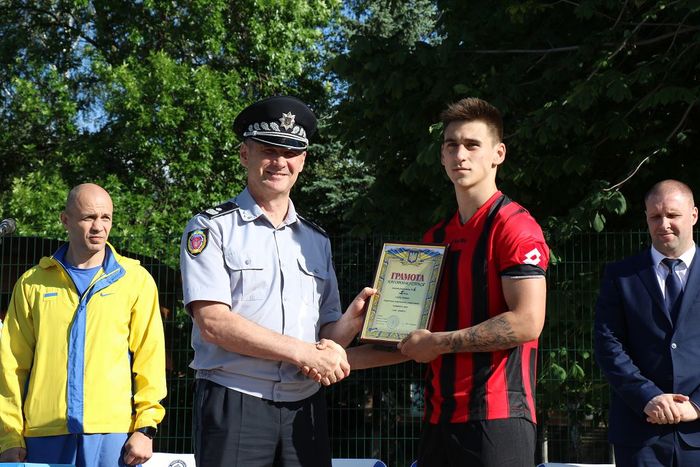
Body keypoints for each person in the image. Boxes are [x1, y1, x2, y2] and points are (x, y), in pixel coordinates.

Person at [346, 97, 550, 467]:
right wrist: (335, 359)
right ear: (441, 156)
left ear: (498, 154)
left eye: (472, 145)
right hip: (438, 419)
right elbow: (410, 339)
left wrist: (437, 343)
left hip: (498, 417)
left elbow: (527, 322)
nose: (460, 155)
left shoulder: (516, 227)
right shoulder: (434, 239)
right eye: (451, 145)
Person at [180, 95, 373, 467]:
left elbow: (326, 337)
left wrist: (352, 321)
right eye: (269, 150)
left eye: (291, 152)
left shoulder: (316, 240)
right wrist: (302, 352)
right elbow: (214, 323)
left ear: (303, 161)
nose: (280, 162)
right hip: (236, 398)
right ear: (244, 154)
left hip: (305, 407)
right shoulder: (211, 228)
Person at [0, 183, 166, 467]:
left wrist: (146, 427)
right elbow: (11, 366)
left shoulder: (135, 280)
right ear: (65, 220)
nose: (98, 227)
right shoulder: (32, 284)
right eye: (89, 217)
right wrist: (9, 437)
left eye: (106, 218)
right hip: (43, 434)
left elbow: (149, 359)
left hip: (113, 434)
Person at [594, 180, 700, 466]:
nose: (663, 224)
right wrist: (648, 397)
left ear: (693, 215)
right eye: (655, 216)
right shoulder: (621, 276)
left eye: (673, 215)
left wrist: (696, 405)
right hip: (640, 435)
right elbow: (608, 345)